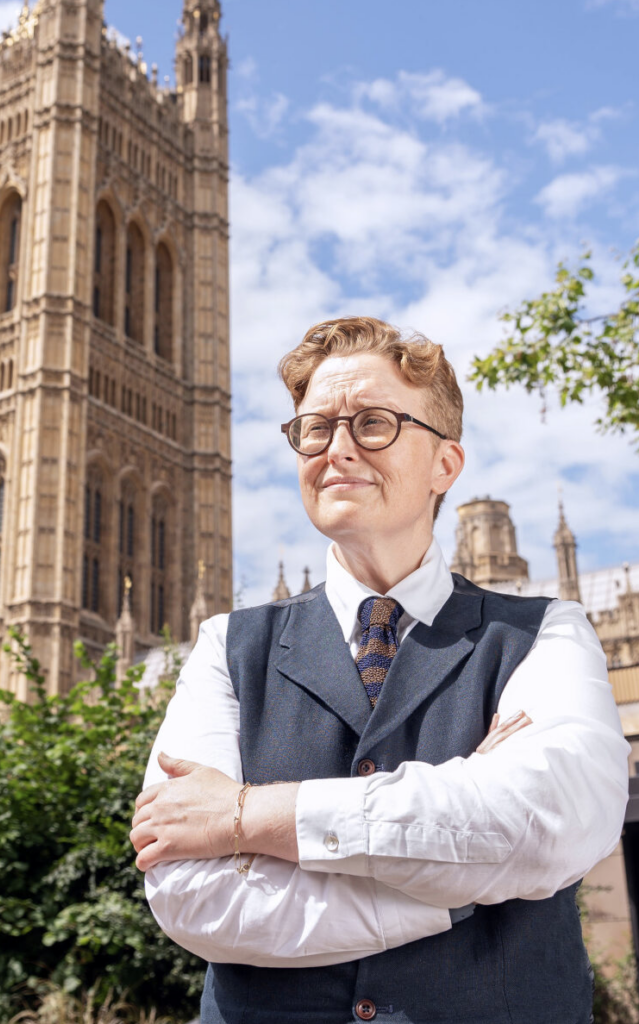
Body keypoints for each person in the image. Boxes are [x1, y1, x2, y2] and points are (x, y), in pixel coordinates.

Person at [130, 316, 629, 1024]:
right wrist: (469, 874)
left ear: (444, 466)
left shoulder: (544, 631)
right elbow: (194, 898)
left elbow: (552, 825)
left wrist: (247, 816)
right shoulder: (224, 645)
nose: (336, 448)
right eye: (314, 428)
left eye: (371, 424)